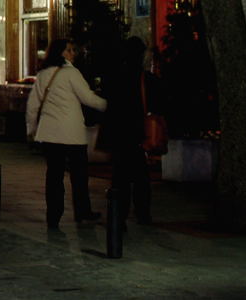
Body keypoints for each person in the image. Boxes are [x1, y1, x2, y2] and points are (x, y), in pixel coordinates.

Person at [25, 38, 108, 230]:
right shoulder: (71, 73)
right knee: (79, 175)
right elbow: (88, 98)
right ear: (61, 53)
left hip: (50, 134)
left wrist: (31, 129)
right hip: (72, 134)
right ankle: (82, 211)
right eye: (69, 50)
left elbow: (33, 105)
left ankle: (53, 215)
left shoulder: (44, 74)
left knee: (53, 176)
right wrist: (108, 105)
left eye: (73, 50)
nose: (73, 53)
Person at [99, 36, 156, 225]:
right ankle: (142, 213)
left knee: (120, 176)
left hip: (119, 133)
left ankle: (119, 216)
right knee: (140, 177)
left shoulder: (115, 75)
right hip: (136, 133)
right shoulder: (143, 77)